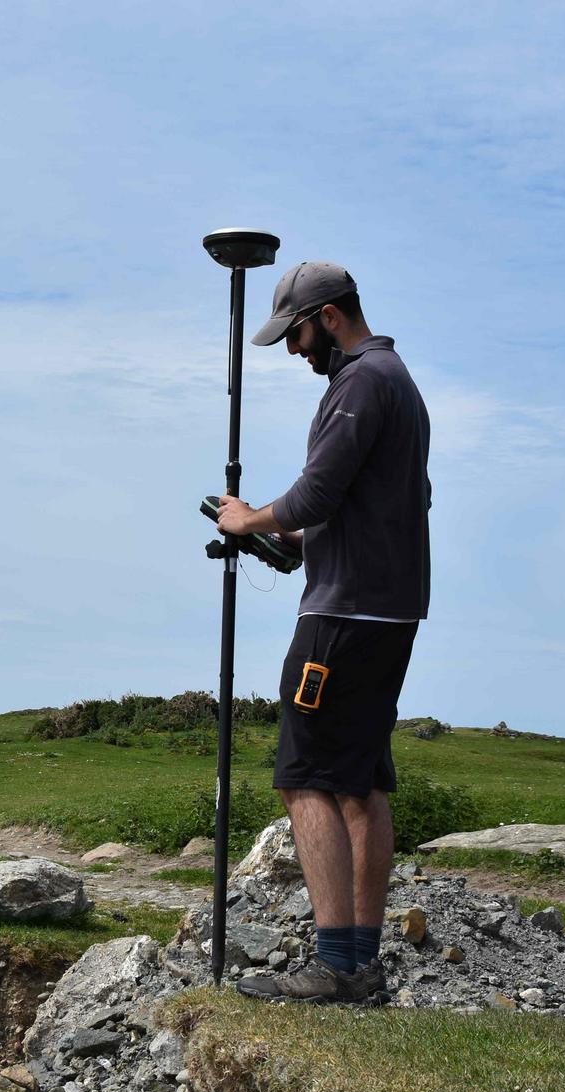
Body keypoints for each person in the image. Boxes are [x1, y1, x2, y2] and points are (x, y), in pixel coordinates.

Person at [216, 261, 431, 1005]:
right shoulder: (397, 381)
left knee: (304, 778)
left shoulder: (361, 381)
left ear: (331, 316)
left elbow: (318, 490)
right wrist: (306, 542)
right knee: (360, 784)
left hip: (343, 616)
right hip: (387, 609)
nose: (293, 351)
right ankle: (362, 963)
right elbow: (389, 501)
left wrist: (250, 519)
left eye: (298, 335)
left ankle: (338, 966)